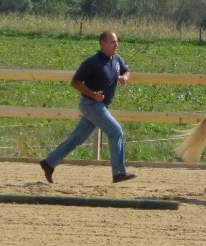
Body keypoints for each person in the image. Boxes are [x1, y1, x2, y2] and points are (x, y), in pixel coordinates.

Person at [40, 30, 136, 184]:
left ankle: (49, 163)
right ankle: (119, 172)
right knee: (115, 131)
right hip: (91, 104)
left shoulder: (117, 59)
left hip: (100, 105)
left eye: (117, 41)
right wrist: (93, 94)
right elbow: (75, 82)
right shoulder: (92, 62)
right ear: (103, 43)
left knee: (77, 138)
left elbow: (126, 70)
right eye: (112, 42)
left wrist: (124, 77)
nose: (116, 44)